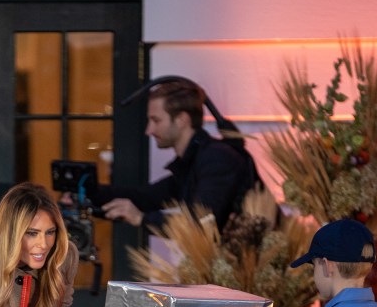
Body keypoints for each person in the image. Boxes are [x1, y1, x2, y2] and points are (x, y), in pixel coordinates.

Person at [96, 79, 258, 234]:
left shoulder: (218, 159)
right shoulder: (193, 163)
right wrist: (87, 191)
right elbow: (145, 197)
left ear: (182, 120)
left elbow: (203, 221)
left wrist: (141, 218)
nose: (149, 130)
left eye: (156, 120)